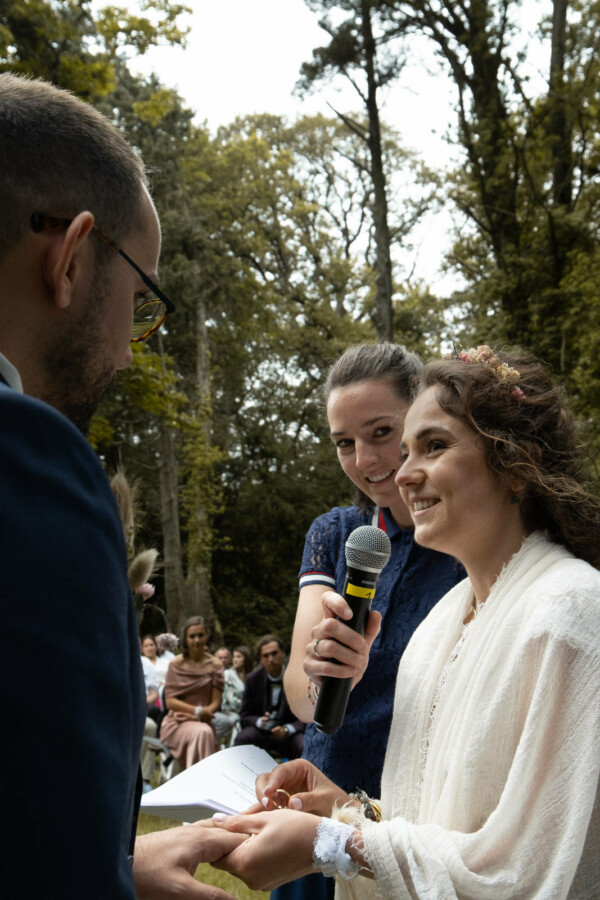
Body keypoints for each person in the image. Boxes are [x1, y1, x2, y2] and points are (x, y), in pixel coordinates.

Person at [207, 345, 600, 898]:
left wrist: (336, 842)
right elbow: (442, 819)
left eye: (433, 446)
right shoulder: (442, 625)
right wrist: (347, 809)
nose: (399, 472)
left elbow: (534, 863)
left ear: (518, 460)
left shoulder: (570, 613)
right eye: (346, 443)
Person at [0, 73, 243, 899]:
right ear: (70, 256)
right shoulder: (26, 457)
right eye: (140, 298)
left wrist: (123, 866)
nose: (133, 347)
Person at [274, 343, 464, 900]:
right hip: (322, 800)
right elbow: (299, 694)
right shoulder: (335, 534)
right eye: (344, 443)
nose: (364, 459)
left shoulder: (467, 537)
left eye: (381, 432)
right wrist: (327, 672)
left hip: (413, 813)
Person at [160, 616, 224, 769]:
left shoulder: (215, 664)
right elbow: (170, 702)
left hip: (203, 721)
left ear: (207, 636)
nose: (196, 640)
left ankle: (199, 782)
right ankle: (201, 782)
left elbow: (216, 701)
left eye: (200, 635)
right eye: (192, 636)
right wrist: (197, 711)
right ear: (185, 639)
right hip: (176, 723)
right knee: (203, 733)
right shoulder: (176, 663)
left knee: (204, 731)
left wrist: (206, 712)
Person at [235, 635, 305, 759]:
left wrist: (287, 729)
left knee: (304, 745)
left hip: (290, 735)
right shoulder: (252, 679)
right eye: (265, 656)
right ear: (260, 659)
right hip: (261, 734)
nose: (271, 659)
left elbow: (308, 715)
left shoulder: (298, 676)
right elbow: (244, 716)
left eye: (274, 653)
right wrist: (259, 721)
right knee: (243, 738)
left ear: (283, 652)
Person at [213, 645, 253, 746]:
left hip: (250, 713)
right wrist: (244, 706)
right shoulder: (228, 674)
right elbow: (227, 699)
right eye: (234, 657)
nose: (235, 660)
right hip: (231, 713)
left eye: (238, 657)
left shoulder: (252, 676)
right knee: (236, 722)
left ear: (246, 658)